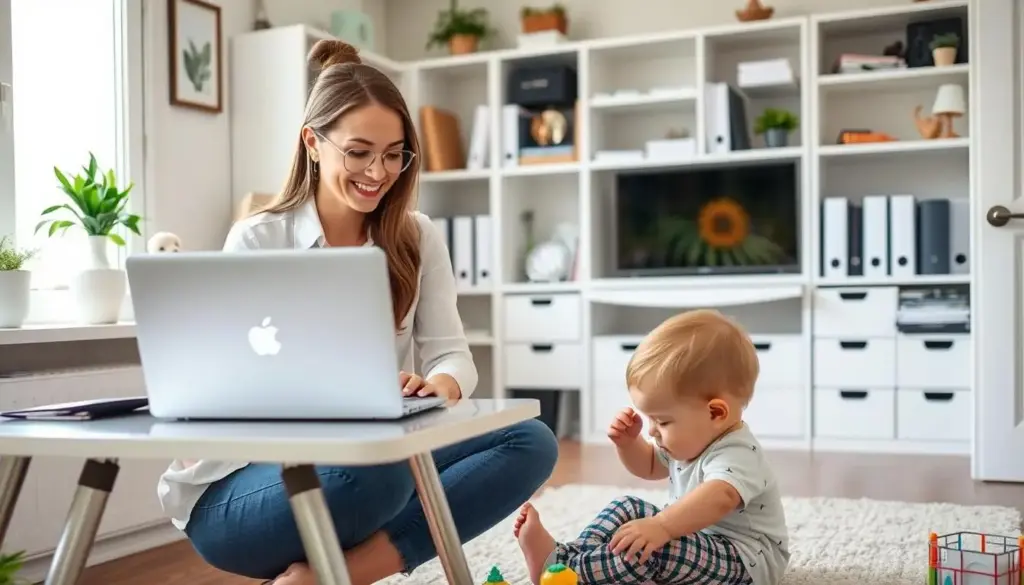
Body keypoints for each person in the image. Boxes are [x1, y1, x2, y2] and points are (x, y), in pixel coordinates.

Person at [159, 39, 559, 585]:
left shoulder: (417, 237)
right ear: (313, 143)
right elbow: (225, 386)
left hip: (375, 458)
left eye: (394, 153)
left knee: (529, 439)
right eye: (359, 151)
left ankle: (334, 575)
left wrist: (439, 388)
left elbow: (451, 353)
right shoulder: (258, 239)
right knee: (382, 472)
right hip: (240, 488)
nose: (379, 171)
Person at [513, 309, 790, 585]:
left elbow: (720, 497)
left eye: (664, 421)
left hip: (744, 560)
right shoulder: (691, 439)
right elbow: (647, 466)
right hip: (696, 541)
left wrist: (662, 526)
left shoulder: (739, 453)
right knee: (626, 507)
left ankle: (568, 574)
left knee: (651, 548)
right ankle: (566, 559)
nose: (653, 430)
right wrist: (629, 443)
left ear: (715, 413)